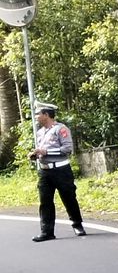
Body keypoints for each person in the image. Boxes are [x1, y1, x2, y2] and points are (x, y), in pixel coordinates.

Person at [30, 102, 85, 242]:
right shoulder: (40, 132)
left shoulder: (61, 129)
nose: (36, 117)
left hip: (61, 170)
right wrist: (36, 155)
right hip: (45, 171)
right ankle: (46, 232)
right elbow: (42, 151)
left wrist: (46, 151)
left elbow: (67, 149)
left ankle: (77, 224)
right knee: (45, 202)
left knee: (69, 198)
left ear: (46, 115)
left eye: (38, 114)